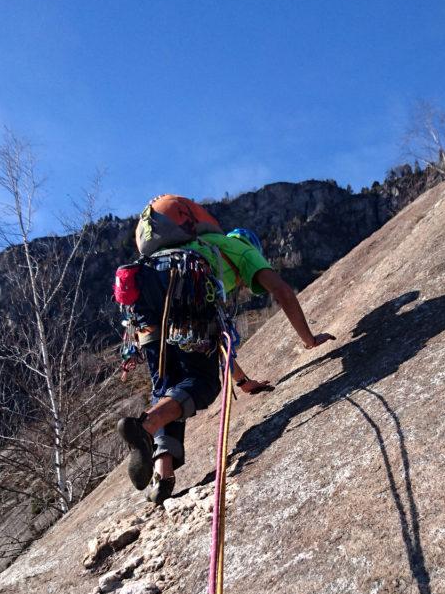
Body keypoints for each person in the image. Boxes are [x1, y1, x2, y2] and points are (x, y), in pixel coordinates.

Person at [117, 195, 335, 502]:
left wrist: (244, 382)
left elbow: (219, 341)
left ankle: (161, 475)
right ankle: (146, 426)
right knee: (202, 382)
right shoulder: (240, 249)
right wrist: (309, 339)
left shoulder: (193, 245)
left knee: (168, 386)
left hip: (143, 283)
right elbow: (282, 292)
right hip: (182, 278)